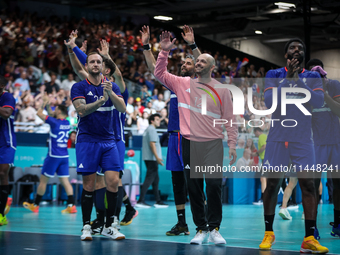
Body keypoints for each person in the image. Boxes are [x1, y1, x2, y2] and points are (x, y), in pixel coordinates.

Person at [154, 30, 237, 245]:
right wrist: (163, 51)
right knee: (194, 187)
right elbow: (160, 74)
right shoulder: (182, 83)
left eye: (202, 61)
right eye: (196, 60)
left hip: (213, 144)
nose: (197, 63)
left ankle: (215, 228)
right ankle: (200, 228)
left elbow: (230, 119)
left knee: (213, 185)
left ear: (212, 68)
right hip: (189, 143)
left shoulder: (221, 90)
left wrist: (233, 144)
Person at [259, 38, 328, 253]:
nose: (296, 50)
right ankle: (268, 233)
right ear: (285, 54)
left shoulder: (313, 76)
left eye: (300, 48)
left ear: (304, 56)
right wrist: (287, 79)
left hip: (303, 138)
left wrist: (297, 81)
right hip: (278, 137)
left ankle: (309, 238)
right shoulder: (274, 75)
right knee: (272, 186)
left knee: (308, 186)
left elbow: (317, 102)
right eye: (292, 48)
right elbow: (270, 102)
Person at [140, 25, 200, 236]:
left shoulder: (200, 84)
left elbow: (205, 64)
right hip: (174, 137)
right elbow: (155, 70)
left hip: (192, 138)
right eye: (182, 63)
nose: (184, 65)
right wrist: (147, 46)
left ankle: (202, 223)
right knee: (177, 181)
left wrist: (192, 45)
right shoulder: (177, 85)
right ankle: (182, 223)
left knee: (195, 182)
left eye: (188, 62)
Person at [70, 51, 126, 241]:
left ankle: (109, 226)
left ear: (103, 66)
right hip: (87, 141)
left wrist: (110, 93)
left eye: (98, 62)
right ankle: (86, 225)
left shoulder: (112, 86)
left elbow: (122, 108)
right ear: (87, 66)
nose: (95, 64)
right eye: (92, 61)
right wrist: (101, 100)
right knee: (89, 185)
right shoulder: (78, 87)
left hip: (109, 141)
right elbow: (81, 111)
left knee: (113, 183)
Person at [23, 95, 76, 214]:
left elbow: (39, 113)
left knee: (43, 181)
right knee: (65, 181)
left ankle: (35, 205)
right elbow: (52, 115)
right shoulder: (67, 122)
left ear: (59, 111)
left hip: (53, 156)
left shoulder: (54, 122)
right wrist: (48, 105)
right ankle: (71, 205)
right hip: (64, 156)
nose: (53, 110)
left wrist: (43, 103)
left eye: (55, 109)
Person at [307, 59, 340, 238]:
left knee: (338, 185)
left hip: (336, 143)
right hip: (315, 145)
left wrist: (324, 93)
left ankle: (338, 224)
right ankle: (312, 227)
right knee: (313, 186)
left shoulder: (334, 85)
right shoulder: (306, 91)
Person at [136, 113, 168, 208]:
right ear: (152, 121)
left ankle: (158, 200)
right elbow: (152, 144)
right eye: (157, 119)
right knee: (149, 179)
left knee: (155, 179)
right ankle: (141, 200)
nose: (159, 121)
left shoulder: (148, 130)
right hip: (152, 159)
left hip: (149, 158)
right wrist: (157, 158)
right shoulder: (152, 130)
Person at [0, 75, 16, 226]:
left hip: (6, 142)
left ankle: (1, 214)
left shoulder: (8, 97)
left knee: (2, 173)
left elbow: (6, 114)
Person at [253, 127, 267, 205]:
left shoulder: (261, 136)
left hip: (265, 160)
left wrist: (257, 153)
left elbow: (264, 146)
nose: (255, 135)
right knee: (264, 179)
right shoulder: (265, 136)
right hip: (267, 160)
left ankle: (263, 198)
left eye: (254, 133)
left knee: (263, 179)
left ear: (257, 131)